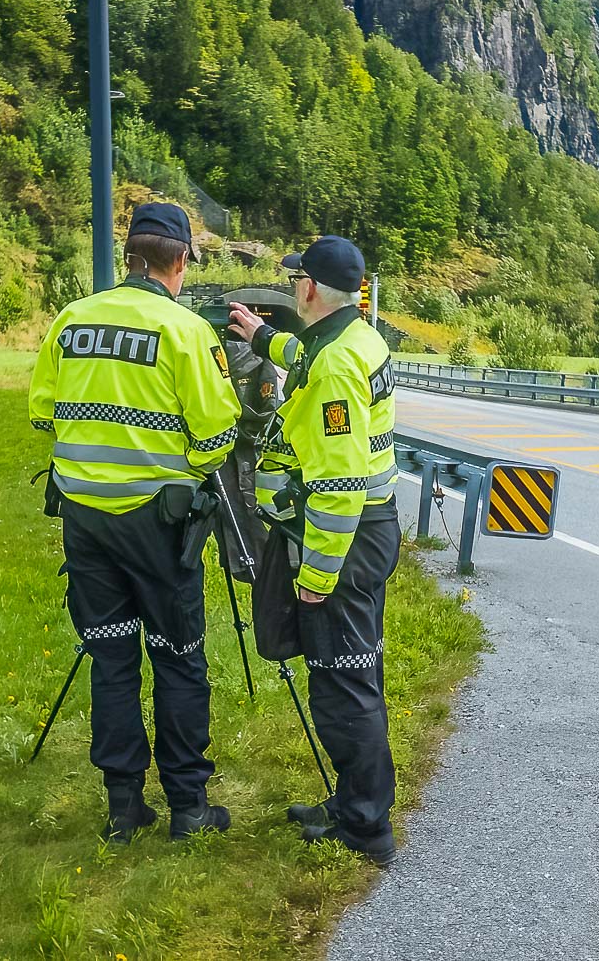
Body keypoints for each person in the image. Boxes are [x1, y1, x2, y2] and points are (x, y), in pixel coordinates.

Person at [28, 202, 243, 842]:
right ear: (177, 262)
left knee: (111, 659)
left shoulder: (71, 320)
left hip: (85, 521)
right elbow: (216, 436)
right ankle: (187, 806)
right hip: (159, 527)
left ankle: (123, 807)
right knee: (178, 659)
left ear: (130, 259)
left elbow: (44, 413)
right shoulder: (184, 332)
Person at [226, 235, 401, 866]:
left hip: (340, 543)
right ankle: (357, 799)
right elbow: (300, 353)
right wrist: (258, 336)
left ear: (306, 289)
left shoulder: (332, 369)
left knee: (343, 684)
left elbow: (338, 483)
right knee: (361, 674)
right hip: (367, 534)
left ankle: (365, 826)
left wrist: (318, 576)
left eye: (294, 281)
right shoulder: (357, 338)